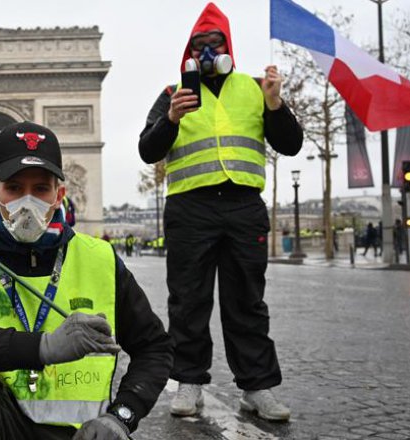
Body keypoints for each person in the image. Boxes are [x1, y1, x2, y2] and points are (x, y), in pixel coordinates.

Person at [0, 121, 173, 439]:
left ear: (60, 194)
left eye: (40, 189)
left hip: (78, 434)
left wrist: (121, 416)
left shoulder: (101, 259)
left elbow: (155, 347)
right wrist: (43, 347)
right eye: (13, 187)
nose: (27, 202)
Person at [138, 3, 303, 421]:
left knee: (248, 302)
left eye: (216, 44)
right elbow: (147, 150)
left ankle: (257, 388)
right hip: (191, 207)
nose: (208, 52)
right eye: (200, 45)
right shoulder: (172, 93)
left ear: (229, 47)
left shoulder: (255, 87)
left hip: (244, 207)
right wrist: (171, 120)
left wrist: (276, 103)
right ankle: (189, 381)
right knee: (188, 301)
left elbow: (291, 144)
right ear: (188, 51)